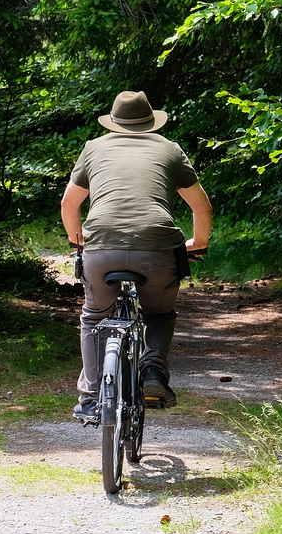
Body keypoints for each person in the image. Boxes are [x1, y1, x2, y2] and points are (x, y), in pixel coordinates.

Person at [61, 90, 212, 422]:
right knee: (158, 314)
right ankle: (153, 370)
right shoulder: (169, 149)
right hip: (158, 248)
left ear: (114, 123)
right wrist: (197, 244)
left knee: (93, 317)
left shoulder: (93, 148)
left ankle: (90, 398)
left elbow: (69, 205)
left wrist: (80, 246)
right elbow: (202, 206)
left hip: (100, 247)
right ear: (150, 122)